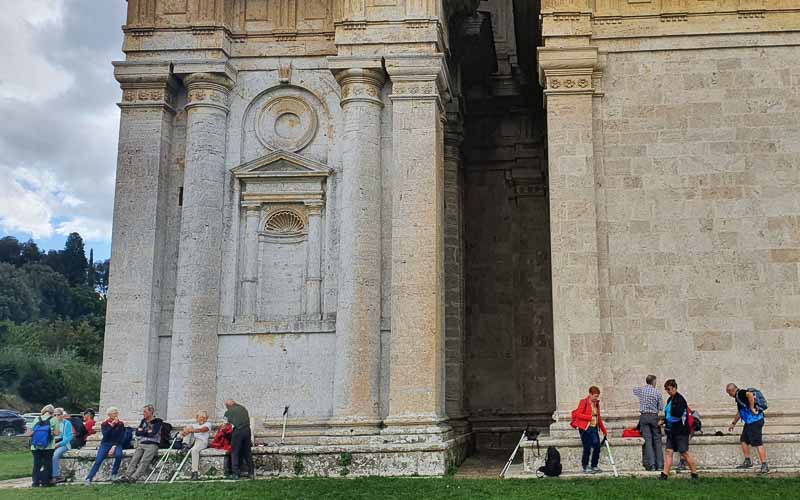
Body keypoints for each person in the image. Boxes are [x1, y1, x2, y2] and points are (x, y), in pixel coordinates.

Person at [660, 379, 698, 480]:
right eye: (666, 389)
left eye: (669, 389)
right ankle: (664, 475)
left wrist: (664, 421)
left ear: (674, 388)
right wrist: (664, 420)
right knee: (668, 451)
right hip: (671, 431)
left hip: (681, 431)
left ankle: (694, 473)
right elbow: (668, 414)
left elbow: (677, 416)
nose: (668, 391)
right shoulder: (670, 400)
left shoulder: (680, 400)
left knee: (684, 453)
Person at [726, 383, 768, 474]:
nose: (729, 396)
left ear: (732, 390)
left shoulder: (740, 393)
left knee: (758, 443)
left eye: (729, 394)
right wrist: (733, 423)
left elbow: (750, 394)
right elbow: (740, 412)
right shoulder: (739, 398)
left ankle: (764, 465)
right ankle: (747, 461)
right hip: (749, 422)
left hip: (755, 421)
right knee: (743, 440)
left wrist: (752, 408)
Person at [118, 404, 163, 483]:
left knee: (144, 461)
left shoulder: (158, 421)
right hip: (142, 443)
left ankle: (134, 478)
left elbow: (153, 433)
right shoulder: (143, 421)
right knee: (134, 459)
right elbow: (137, 433)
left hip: (152, 444)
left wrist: (143, 431)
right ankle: (126, 476)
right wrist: (146, 432)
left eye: (145, 412)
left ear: (151, 412)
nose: (143, 413)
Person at [570, 386, 607, 474]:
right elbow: (578, 414)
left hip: (594, 428)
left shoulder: (596, 403)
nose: (596, 398)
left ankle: (594, 465)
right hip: (584, 428)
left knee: (597, 445)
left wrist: (604, 430)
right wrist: (590, 417)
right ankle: (585, 466)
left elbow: (598, 418)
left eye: (597, 396)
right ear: (590, 394)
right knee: (587, 447)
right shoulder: (583, 402)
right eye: (595, 396)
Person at [85, 407, 126, 484]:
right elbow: (106, 435)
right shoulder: (104, 424)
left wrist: (114, 446)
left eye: (117, 413)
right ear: (109, 415)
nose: (116, 415)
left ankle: (114, 474)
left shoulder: (120, 424)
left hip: (117, 443)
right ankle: (89, 478)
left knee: (119, 455)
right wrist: (112, 426)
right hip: (106, 443)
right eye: (114, 413)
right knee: (99, 460)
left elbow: (121, 436)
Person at [633, 375, 664, 471]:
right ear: (653, 382)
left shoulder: (641, 391)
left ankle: (651, 465)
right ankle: (660, 464)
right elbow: (661, 407)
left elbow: (634, 390)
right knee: (657, 440)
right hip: (654, 416)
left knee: (648, 441)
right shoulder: (657, 392)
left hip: (644, 416)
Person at [27, 404, 61, 487]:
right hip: (48, 446)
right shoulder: (54, 419)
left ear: (43, 410)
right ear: (52, 412)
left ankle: (35, 482)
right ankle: (46, 482)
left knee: (37, 464)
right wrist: (50, 432)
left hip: (35, 446)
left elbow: (30, 433)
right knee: (47, 464)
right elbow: (57, 433)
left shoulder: (36, 419)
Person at [224, 399, 254, 480]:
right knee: (247, 452)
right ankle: (251, 473)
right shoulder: (243, 408)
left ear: (227, 406)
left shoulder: (229, 411)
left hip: (238, 432)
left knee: (235, 452)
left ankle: (236, 473)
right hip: (247, 431)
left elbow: (227, 425)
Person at [181, 410, 212, 480]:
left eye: (204, 418)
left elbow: (203, 429)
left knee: (194, 450)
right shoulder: (194, 425)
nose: (202, 420)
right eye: (200, 418)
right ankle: (184, 446)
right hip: (193, 441)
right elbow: (185, 431)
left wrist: (191, 430)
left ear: (206, 418)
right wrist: (185, 431)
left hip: (202, 442)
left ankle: (194, 473)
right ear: (197, 418)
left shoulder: (208, 424)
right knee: (188, 428)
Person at [51, 408, 74, 484]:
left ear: (62, 415)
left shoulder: (67, 423)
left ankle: (56, 476)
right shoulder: (52, 423)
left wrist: (59, 444)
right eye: (55, 415)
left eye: (58, 414)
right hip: (52, 443)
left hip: (63, 444)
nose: (56, 416)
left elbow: (70, 436)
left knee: (55, 455)